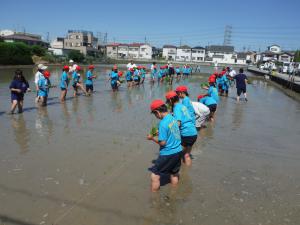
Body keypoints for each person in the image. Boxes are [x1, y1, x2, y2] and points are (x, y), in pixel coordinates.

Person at [147, 99, 183, 192]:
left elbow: (163, 143)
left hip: (168, 153)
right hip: (178, 150)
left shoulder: (162, 123)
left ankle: (154, 198)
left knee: (154, 175)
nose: (156, 116)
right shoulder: (173, 118)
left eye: (155, 114)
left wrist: (152, 138)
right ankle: (174, 192)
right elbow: (172, 131)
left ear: (157, 112)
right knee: (174, 173)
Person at [165, 91, 197, 167]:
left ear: (170, 101)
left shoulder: (176, 108)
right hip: (193, 133)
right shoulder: (182, 106)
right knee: (187, 155)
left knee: (176, 153)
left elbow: (178, 123)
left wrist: (168, 131)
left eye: (167, 102)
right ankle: (187, 171)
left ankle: (179, 172)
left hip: (186, 134)